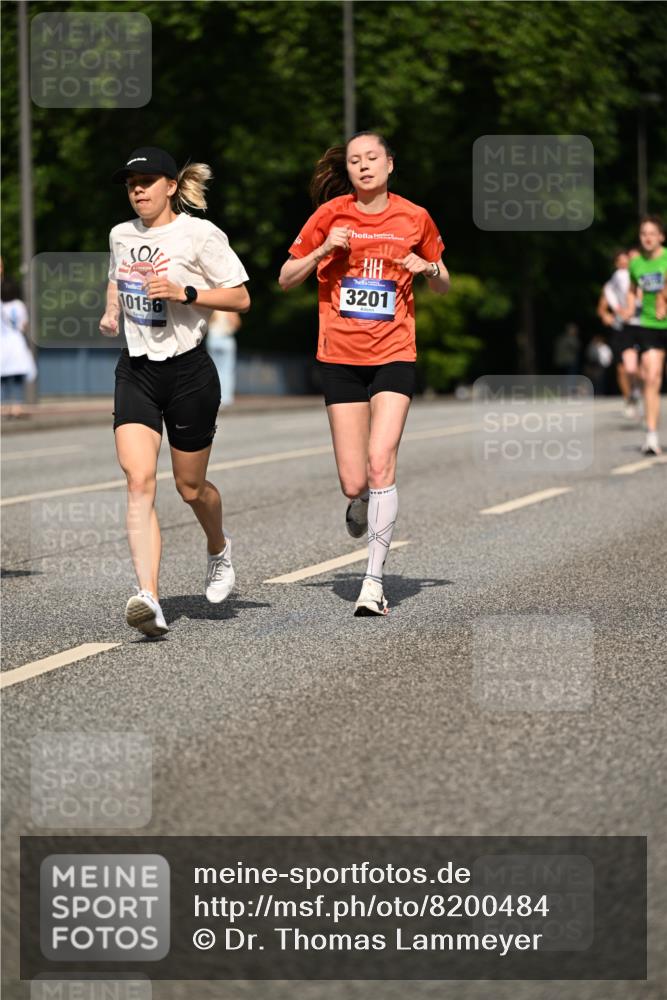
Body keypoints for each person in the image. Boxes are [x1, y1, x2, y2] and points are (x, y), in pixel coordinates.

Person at [279, 131, 449, 616]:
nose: (364, 166)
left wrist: (429, 269)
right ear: (348, 170)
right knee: (355, 481)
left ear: (390, 164)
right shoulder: (328, 216)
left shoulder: (415, 217)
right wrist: (321, 250)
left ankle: (372, 583)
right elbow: (285, 279)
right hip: (340, 358)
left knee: (381, 462)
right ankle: (358, 503)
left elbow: (444, 283)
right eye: (355, 161)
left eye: (372, 158)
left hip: (395, 352)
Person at [99, 146, 250, 637]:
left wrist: (186, 293)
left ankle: (217, 546)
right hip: (137, 371)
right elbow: (116, 276)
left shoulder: (199, 234)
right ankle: (149, 597)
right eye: (130, 183)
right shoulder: (122, 234)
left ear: (170, 185)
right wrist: (113, 312)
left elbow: (241, 296)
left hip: (189, 373)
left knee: (191, 488)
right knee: (139, 480)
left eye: (146, 181)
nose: (137, 189)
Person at [623, 215, 667, 455]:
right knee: (651, 376)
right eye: (643, 234)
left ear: (661, 236)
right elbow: (632, 289)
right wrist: (630, 307)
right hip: (650, 324)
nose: (647, 237)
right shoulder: (636, 264)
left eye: (652, 233)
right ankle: (651, 436)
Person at [596, 248, 642, 418]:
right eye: (620, 262)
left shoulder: (638, 277)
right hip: (619, 328)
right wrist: (606, 315)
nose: (623, 264)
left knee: (637, 367)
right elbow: (601, 308)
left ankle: (637, 389)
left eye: (626, 261)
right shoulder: (611, 285)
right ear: (615, 264)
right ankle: (628, 399)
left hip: (639, 325)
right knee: (622, 369)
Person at [1, 276, 37, 417]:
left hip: (2, 344)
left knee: (3, 380)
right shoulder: (18, 305)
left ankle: (4, 408)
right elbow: (23, 325)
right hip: (16, 343)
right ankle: (17, 408)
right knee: (16, 379)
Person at [206, 309, 240, 406]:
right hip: (226, 338)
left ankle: (214, 397)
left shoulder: (213, 307)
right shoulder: (229, 307)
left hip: (213, 338)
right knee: (227, 370)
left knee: (214, 370)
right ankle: (226, 398)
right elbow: (236, 323)